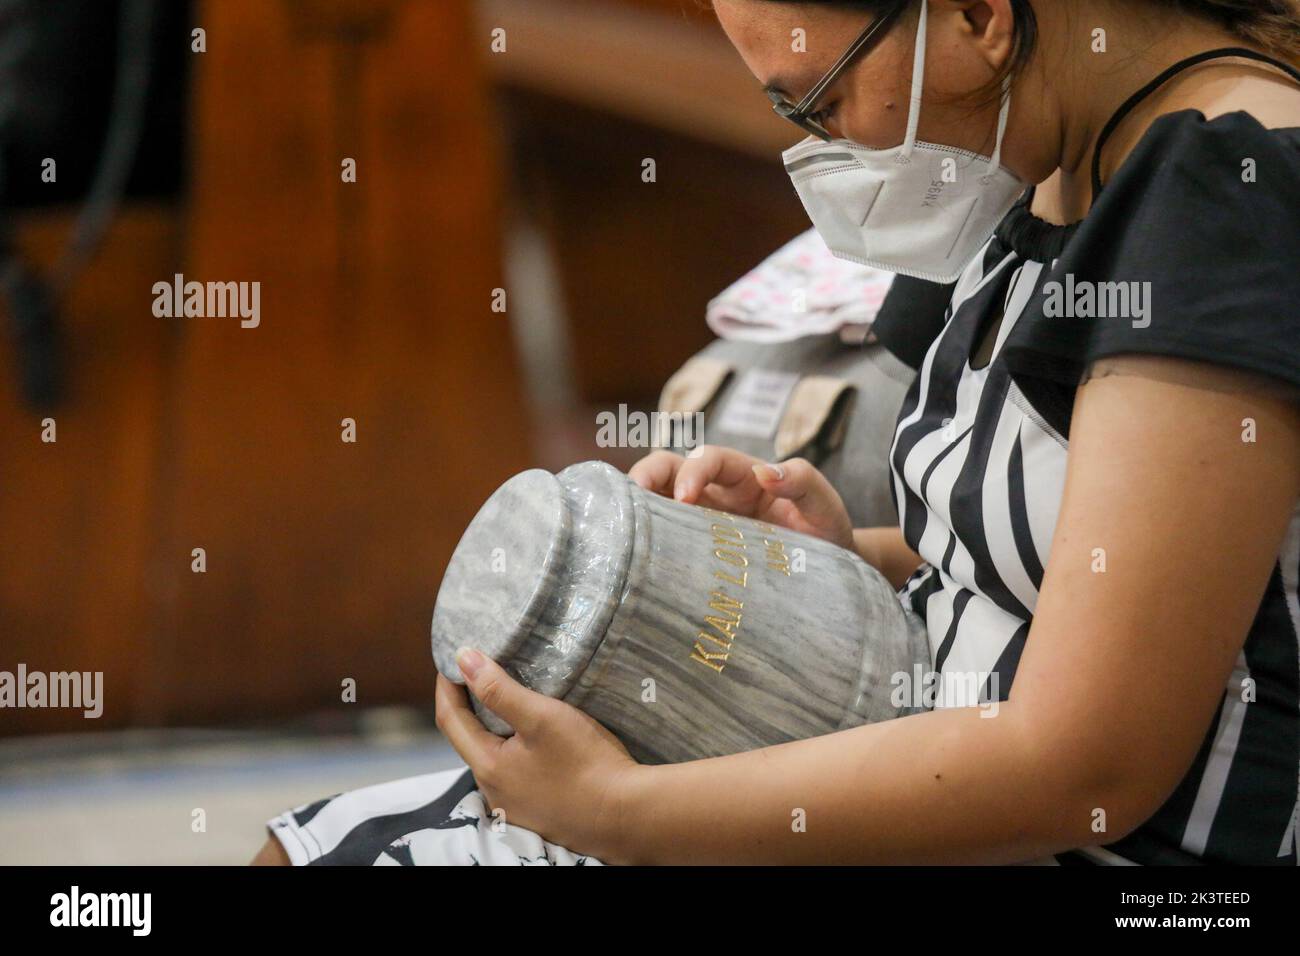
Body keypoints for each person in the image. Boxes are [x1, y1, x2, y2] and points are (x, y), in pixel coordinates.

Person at [255, 0, 1300, 865]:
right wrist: (838, 556)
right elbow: (1062, 570)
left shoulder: (1219, 200)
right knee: (326, 845)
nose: (822, 140)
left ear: (980, 15)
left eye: (820, 97)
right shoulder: (1045, 152)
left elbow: (1086, 767)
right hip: (950, 769)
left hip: (1104, 853)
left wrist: (621, 813)